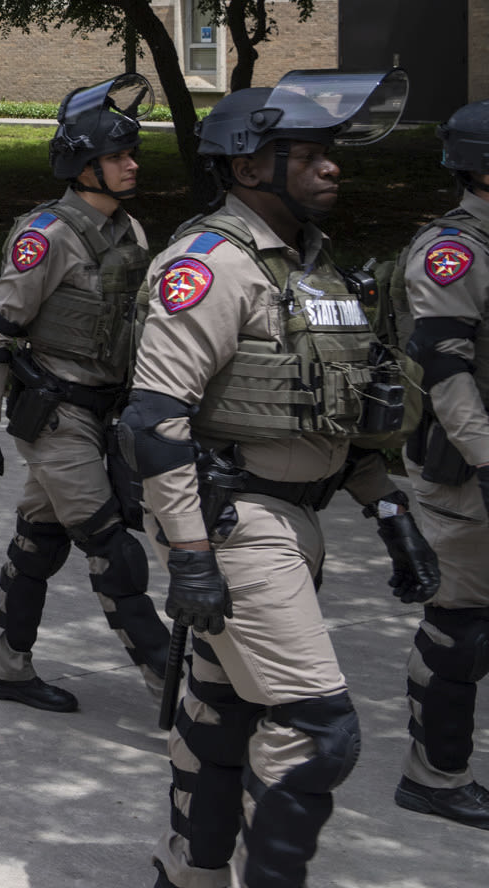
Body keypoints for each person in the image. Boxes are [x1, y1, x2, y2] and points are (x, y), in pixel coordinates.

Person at [124, 71, 442, 888]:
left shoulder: (312, 269)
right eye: (311, 154)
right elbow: (153, 423)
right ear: (248, 166)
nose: (333, 168)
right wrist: (190, 554)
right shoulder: (208, 266)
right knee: (317, 729)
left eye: (334, 154)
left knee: (225, 714)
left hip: (300, 521)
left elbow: (341, 407)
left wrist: (390, 510)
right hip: (235, 522)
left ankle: (188, 873)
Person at [0, 75, 168, 711]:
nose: (131, 165)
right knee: (111, 545)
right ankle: (173, 683)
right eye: (116, 157)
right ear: (83, 166)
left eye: (131, 155)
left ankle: (4, 666)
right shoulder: (45, 236)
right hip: (56, 416)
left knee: (39, 541)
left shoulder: (129, 232)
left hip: (106, 410)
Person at [389, 98, 489, 829]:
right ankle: (435, 777)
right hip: (463, 474)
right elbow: (449, 377)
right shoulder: (451, 253)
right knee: (460, 628)